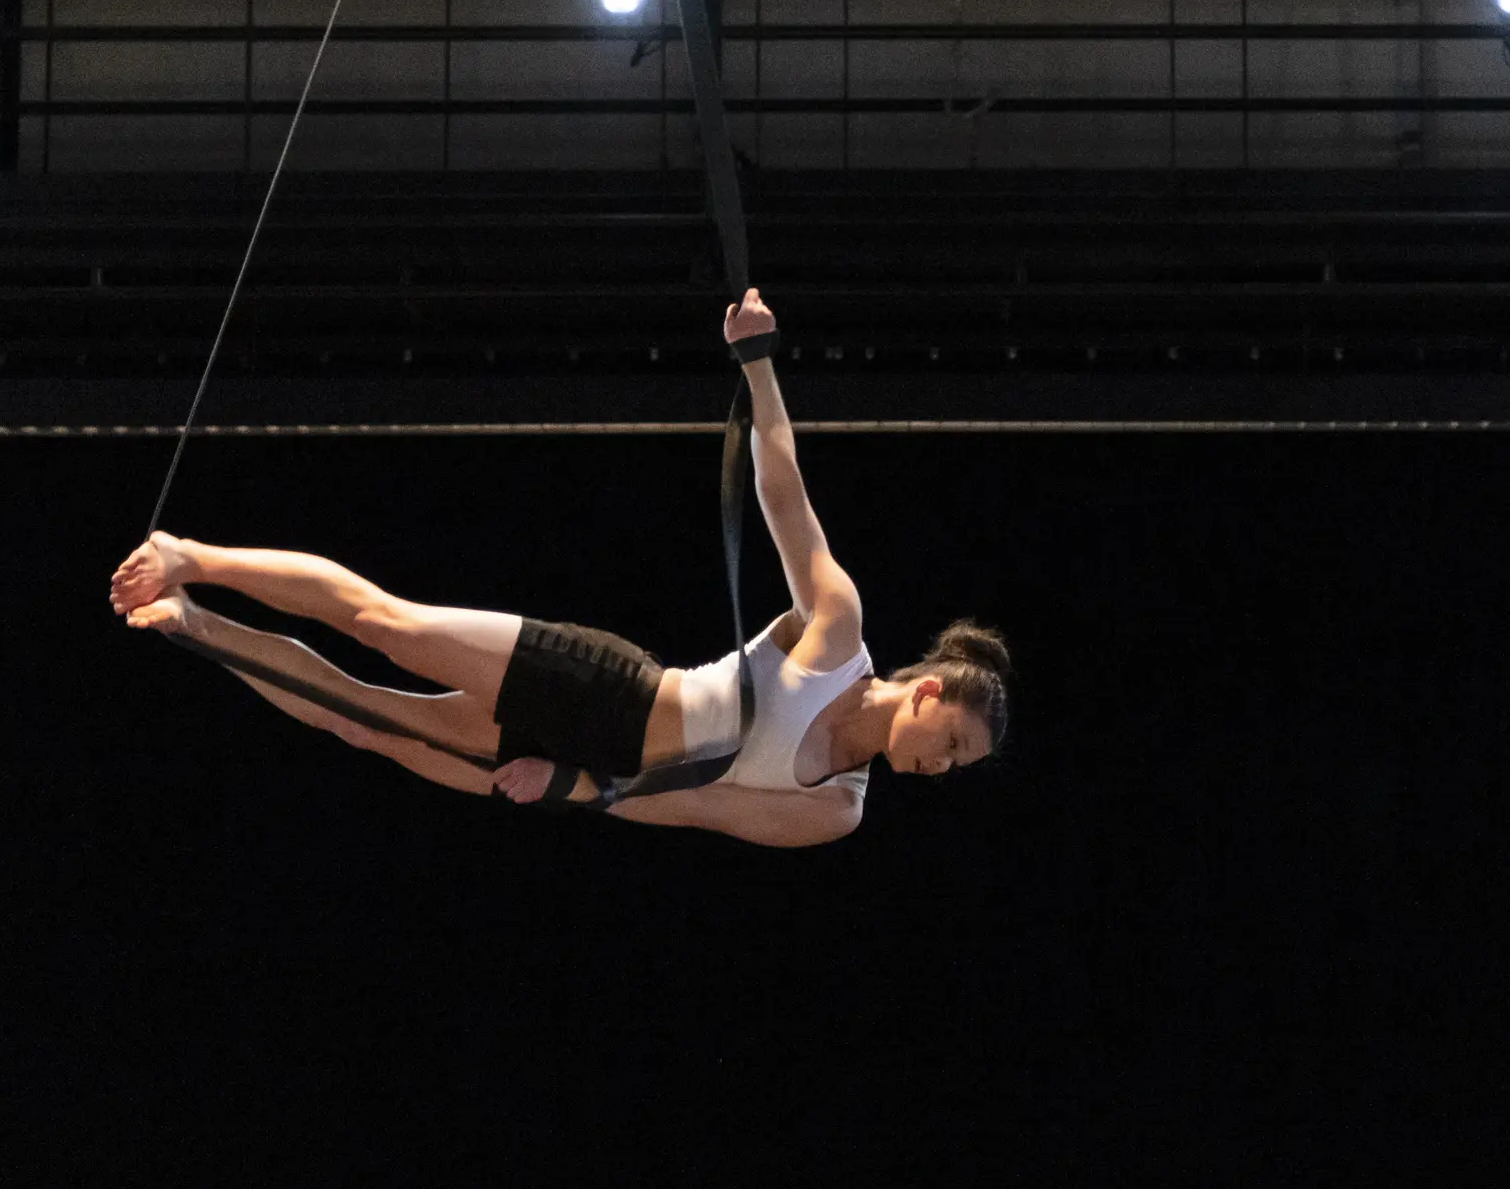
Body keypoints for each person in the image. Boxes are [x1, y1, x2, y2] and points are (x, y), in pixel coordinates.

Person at [109, 288, 1010, 846]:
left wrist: (575, 788)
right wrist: (760, 366)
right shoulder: (839, 631)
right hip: (604, 687)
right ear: (929, 694)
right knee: (386, 626)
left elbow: (694, 807)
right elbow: (783, 494)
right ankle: (194, 556)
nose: (947, 766)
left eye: (958, 763)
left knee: (370, 724)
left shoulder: (837, 812)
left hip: (596, 770)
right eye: (957, 744)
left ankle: (196, 625)